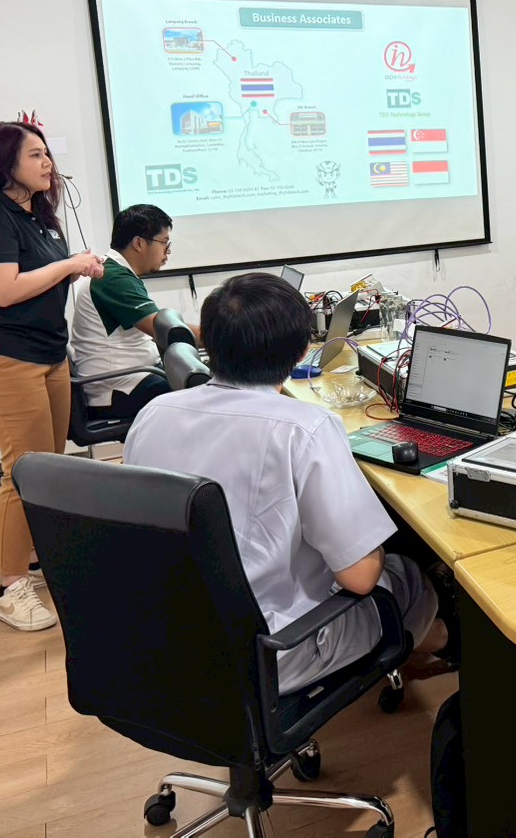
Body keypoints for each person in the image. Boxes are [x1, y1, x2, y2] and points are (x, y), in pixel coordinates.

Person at [123, 272, 447, 694]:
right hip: (271, 651)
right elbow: (361, 578)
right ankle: (445, 644)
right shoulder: (304, 428)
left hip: (163, 636)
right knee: (409, 577)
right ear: (299, 352)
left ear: (209, 343)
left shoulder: (153, 412)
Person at [0, 121, 104, 632]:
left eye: (47, 154)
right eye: (36, 155)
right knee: (23, 471)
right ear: (6, 165)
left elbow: (43, 276)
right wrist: (69, 265)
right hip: (4, 359)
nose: (48, 163)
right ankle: (9, 586)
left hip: (48, 356)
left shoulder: (40, 216)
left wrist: (77, 265)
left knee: (48, 465)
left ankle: (36, 557)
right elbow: (3, 291)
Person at [69, 204, 197, 420]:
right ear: (139, 243)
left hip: (132, 379)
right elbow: (168, 331)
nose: (168, 252)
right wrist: (224, 334)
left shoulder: (117, 273)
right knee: (204, 393)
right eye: (164, 243)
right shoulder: (112, 278)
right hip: (119, 389)